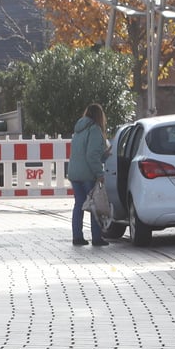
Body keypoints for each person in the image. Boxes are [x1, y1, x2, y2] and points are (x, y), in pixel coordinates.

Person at [67, 103, 111, 247]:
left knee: (79, 205)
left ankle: (77, 237)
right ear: (99, 115)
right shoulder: (95, 130)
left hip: (74, 173)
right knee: (95, 205)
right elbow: (92, 155)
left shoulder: (79, 130)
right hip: (88, 174)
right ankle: (97, 238)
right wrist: (100, 173)